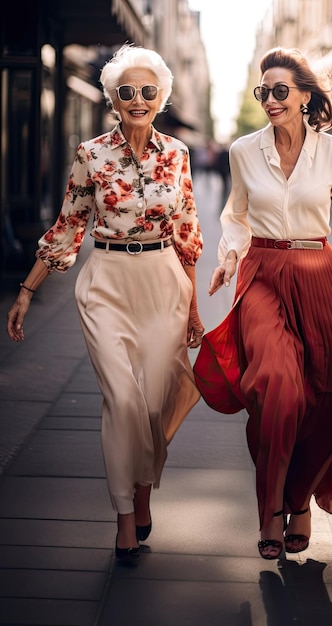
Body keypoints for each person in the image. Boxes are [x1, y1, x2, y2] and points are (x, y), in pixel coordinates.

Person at [7, 44, 204, 562]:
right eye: (126, 91)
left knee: (157, 401)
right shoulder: (90, 154)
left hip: (164, 281)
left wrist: (195, 308)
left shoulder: (178, 154)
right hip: (107, 284)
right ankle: (124, 514)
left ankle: (144, 489)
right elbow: (69, 226)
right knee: (122, 400)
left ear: (160, 97)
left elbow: (187, 231)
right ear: (114, 99)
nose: (137, 99)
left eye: (146, 91)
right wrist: (27, 291)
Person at [194, 47, 332, 560]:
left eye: (281, 91)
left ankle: (298, 496)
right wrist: (229, 256)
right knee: (277, 382)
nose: (271, 100)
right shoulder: (243, 150)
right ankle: (270, 512)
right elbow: (235, 214)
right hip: (261, 273)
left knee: (329, 393)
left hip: (317, 273)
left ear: (305, 95)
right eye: (264, 93)